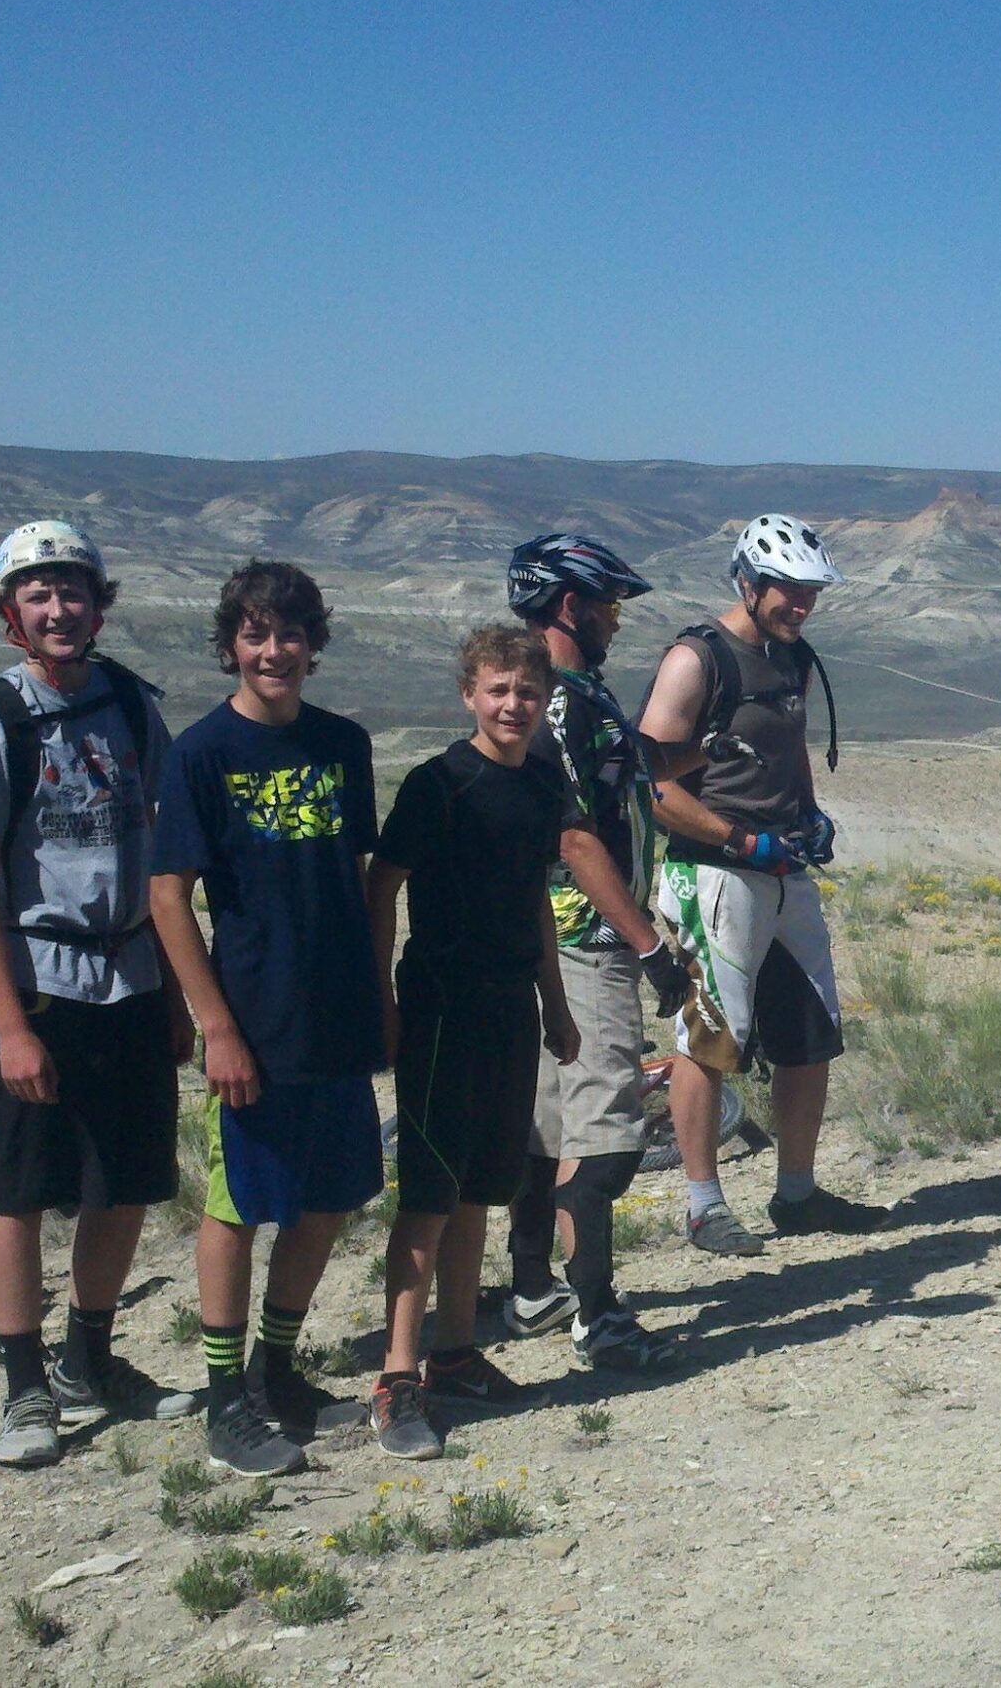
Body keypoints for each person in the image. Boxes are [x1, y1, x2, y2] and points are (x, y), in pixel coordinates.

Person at [0, 519, 200, 1469]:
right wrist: (9, 1025)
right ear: (11, 614)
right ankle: (23, 1390)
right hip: (41, 981)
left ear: (99, 605)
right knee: (18, 1191)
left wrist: (177, 994)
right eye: (37, 595)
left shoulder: (131, 706)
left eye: (72, 591)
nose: (57, 608)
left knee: (123, 1182)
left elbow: (166, 856)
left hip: (130, 972)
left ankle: (92, 1357)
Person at [149, 561, 387, 1476]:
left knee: (329, 1200)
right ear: (229, 648)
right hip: (253, 1014)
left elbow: (368, 886)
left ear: (313, 646)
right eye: (255, 636)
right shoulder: (202, 753)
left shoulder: (343, 745)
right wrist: (217, 1027)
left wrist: (382, 994)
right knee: (238, 1203)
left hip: (337, 1010)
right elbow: (170, 897)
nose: (273, 651)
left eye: (289, 634)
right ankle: (222, 1401)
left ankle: (275, 1371)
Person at [638, 513, 885, 1255]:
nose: (801, 607)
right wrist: (742, 836)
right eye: (789, 592)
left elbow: (791, 746)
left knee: (809, 1038)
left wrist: (809, 814)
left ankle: (798, 1194)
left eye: (810, 594)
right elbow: (655, 787)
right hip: (715, 873)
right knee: (710, 1039)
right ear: (748, 582)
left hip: (784, 871)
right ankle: (704, 1206)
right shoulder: (697, 660)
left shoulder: (792, 658)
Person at [366, 625, 580, 1460]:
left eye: (527, 692)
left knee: (476, 1191)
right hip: (442, 1005)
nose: (512, 705)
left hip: (507, 1007)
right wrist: (382, 997)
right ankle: (396, 1374)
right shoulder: (438, 783)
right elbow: (383, 888)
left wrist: (553, 1005)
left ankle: (455, 1350)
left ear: (544, 699)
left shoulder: (539, 784)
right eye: (497, 689)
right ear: (468, 694)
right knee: (427, 1190)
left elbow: (536, 903)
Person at [492, 535, 693, 1374]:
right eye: (608, 602)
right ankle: (598, 1314)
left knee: (550, 1124)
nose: (616, 617)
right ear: (570, 606)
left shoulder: (558, 698)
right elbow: (577, 838)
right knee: (608, 1133)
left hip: (542, 937)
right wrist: (649, 945)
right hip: (586, 936)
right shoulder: (563, 706)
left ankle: (535, 1285)